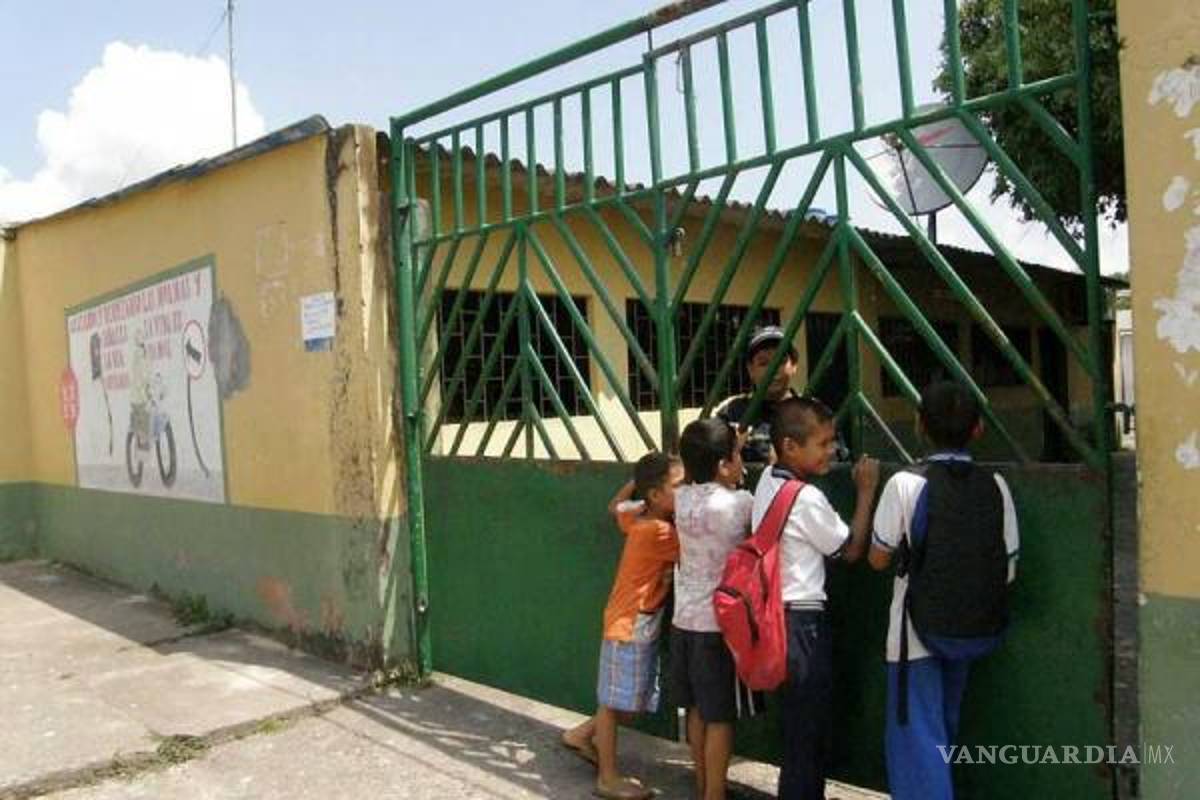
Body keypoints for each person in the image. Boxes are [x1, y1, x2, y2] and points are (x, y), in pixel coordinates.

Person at [867, 381, 1019, 800]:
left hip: (912, 637)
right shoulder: (997, 486)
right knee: (945, 733)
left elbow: (878, 557)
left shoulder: (905, 484)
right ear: (978, 430)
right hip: (972, 628)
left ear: (919, 424)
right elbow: (1007, 569)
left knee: (918, 748)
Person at [752, 397, 880, 800]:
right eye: (822, 444)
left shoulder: (767, 482)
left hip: (774, 621)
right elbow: (852, 549)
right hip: (802, 627)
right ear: (790, 446)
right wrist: (866, 492)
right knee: (808, 739)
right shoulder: (805, 498)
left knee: (797, 735)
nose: (832, 451)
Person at [562, 451, 684, 800]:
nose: (687, 491)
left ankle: (581, 735)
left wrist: (637, 481)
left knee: (625, 702)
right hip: (629, 624)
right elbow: (696, 549)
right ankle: (608, 777)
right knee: (615, 705)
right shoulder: (658, 530)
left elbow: (614, 507)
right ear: (656, 496)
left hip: (631, 622)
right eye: (679, 486)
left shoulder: (638, 515)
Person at [670, 418, 757, 800]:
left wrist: (722, 447)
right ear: (723, 464)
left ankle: (705, 786)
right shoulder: (740, 503)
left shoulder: (681, 498)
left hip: (683, 620)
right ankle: (716, 795)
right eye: (738, 456)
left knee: (696, 711)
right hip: (718, 625)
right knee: (721, 716)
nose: (743, 463)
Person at [716, 325, 800, 465]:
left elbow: (836, 467)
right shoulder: (732, 411)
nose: (772, 370)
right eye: (763, 363)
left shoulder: (813, 412)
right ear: (750, 370)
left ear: (794, 365)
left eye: (780, 361)